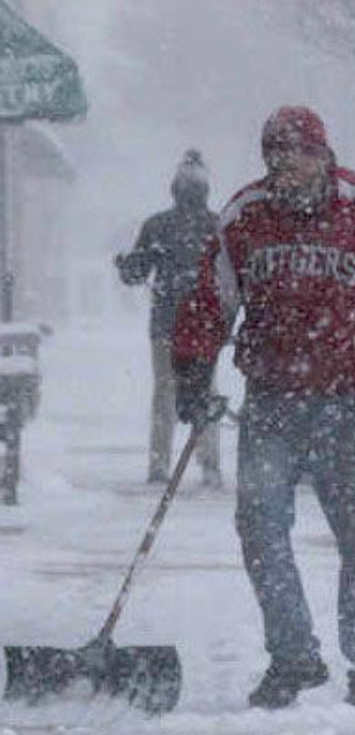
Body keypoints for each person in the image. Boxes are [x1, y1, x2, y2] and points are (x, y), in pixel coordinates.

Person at [171, 106, 355, 709]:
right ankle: (294, 654)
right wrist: (194, 369)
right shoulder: (245, 218)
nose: (286, 164)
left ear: (324, 155)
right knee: (259, 526)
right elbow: (209, 299)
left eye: (299, 151)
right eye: (275, 153)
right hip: (273, 402)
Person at [115, 148, 223, 487]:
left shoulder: (157, 225)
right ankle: (209, 464)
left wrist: (127, 265)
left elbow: (136, 272)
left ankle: (160, 465)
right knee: (205, 389)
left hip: (166, 322)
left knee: (164, 391)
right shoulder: (216, 226)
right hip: (204, 324)